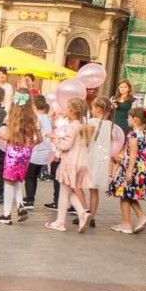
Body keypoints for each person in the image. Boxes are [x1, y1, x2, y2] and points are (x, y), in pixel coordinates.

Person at [0, 89, 41, 224]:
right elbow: (40, 138)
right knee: (18, 179)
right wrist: (30, 145)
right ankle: (20, 206)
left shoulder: (12, 117)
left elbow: (8, 136)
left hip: (14, 151)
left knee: (8, 181)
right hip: (26, 152)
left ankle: (7, 215)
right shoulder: (34, 118)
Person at [45, 99, 92, 232]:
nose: (64, 110)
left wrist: (55, 138)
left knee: (64, 193)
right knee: (68, 191)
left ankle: (61, 221)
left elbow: (66, 145)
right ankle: (83, 213)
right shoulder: (83, 126)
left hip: (70, 162)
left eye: (67, 108)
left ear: (73, 112)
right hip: (81, 162)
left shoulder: (72, 127)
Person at [108, 107, 146, 234]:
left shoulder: (133, 134)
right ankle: (140, 217)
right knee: (128, 194)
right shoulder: (145, 133)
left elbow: (133, 154)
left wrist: (129, 171)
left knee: (124, 195)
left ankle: (126, 224)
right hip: (141, 167)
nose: (127, 119)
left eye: (128, 117)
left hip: (132, 167)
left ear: (135, 119)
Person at [83, 97, 113, 228]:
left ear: (99, 109)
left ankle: (84, 212)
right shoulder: (110, 124)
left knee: (78, 186)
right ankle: (92, 216)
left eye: (93, 107)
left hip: (92, 156)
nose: (91, 109)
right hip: (102, 159)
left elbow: (86, 140)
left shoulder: (92, 121)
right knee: (94, 190)